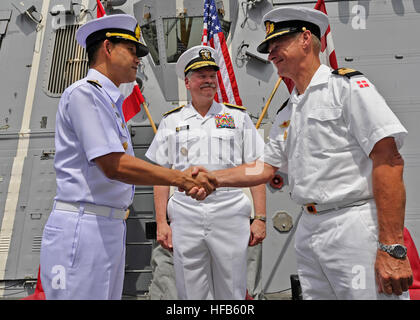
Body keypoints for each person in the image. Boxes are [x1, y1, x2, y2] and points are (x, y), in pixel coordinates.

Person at [207, 6, 413, 299]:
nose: (271, 53)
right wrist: (212, 178)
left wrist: (392, 247)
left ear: (306, 38)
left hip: (353, 225)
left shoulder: (348, 88)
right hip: (310, 229)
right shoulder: (287, 110)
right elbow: (264, 169)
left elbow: (389, 161)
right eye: (269, 48)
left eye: (278, 44)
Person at [39, 14, 216, 300]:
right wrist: (180, 178)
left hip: (107, 227)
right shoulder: (85, 95)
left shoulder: (109, 102)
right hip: (83, 229)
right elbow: (114, 165)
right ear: (108, 48)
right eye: (132, 51)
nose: (138, 59)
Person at [145, 45, 266, 299]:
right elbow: (160, 175)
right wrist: (161, 223)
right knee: (190, 290)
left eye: (212, 75)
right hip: (185, 214)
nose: (209, 81)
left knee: (232, 288)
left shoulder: (237, 118)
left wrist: (260, 218)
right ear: (187, 82)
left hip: (230, 211)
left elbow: (256, 168)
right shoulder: (171, 121)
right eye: (202, 76)